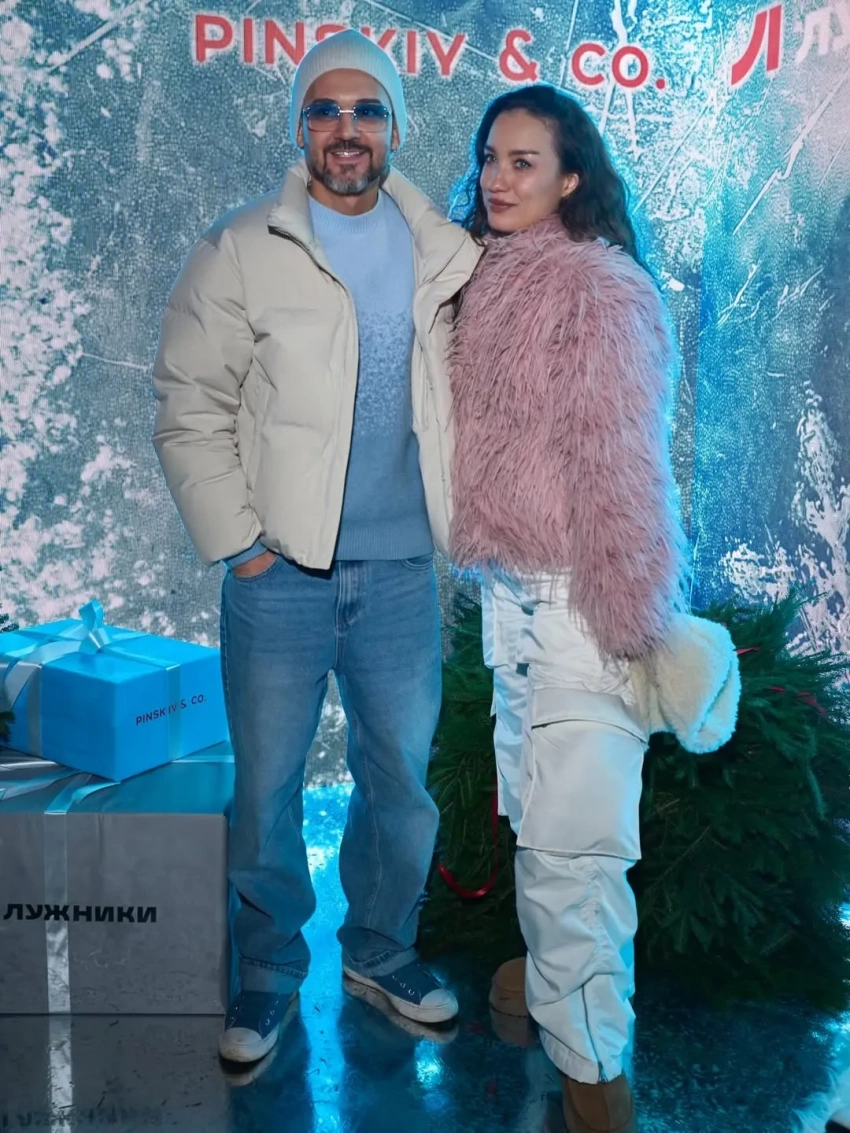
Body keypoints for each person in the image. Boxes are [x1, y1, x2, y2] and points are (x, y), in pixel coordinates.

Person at [152, 29, 480, 1065]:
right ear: (300, 128)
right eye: (325, 110)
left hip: (401, 577)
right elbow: (189, 405)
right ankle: (265, 970)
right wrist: (242, 546)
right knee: (267, 790)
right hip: (279, 577)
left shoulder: (445, 254)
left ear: (395, 129)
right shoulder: (242, 248)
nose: (347, 129)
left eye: (367, 109)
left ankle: (381, 948)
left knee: (402, 786)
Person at [448, 85, 684, 1133]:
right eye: (490, 157)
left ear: (571, 175)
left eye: (524, 161)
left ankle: (594, 1073)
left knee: (574, 847)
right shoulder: (486, 274)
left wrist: (631, 618)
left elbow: (618, 467)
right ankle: (541, 978)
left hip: (584, 600)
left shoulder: (595, 288)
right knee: (534, 813)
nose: (498, 179)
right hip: (512, 596)